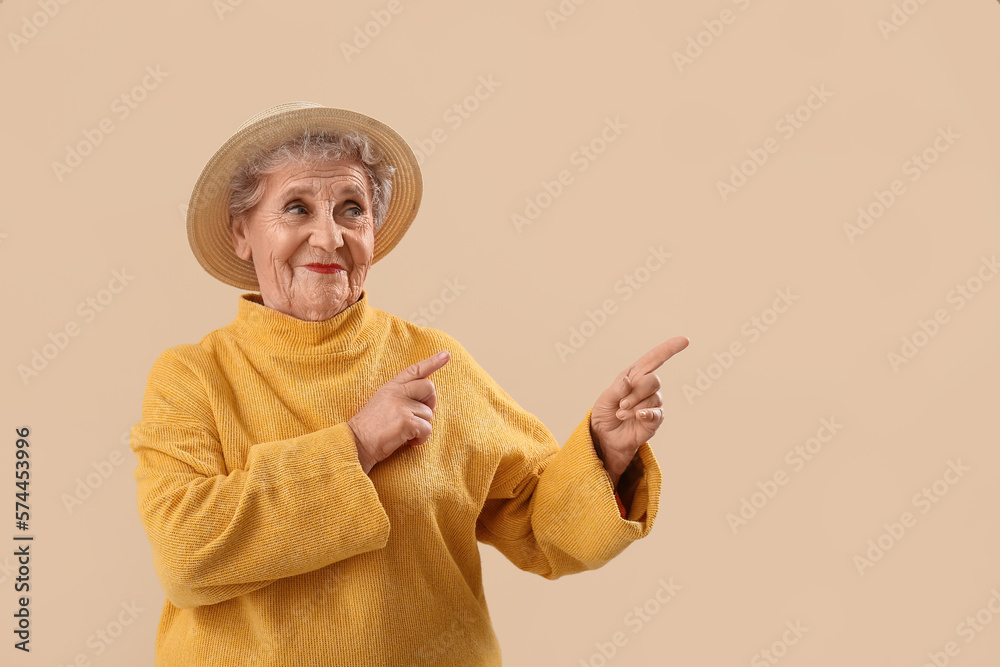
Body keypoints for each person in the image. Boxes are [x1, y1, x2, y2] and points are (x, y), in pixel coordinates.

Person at [130, 101, 689, 666]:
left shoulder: (433, 362)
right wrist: (358, 443)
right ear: (241, 234)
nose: (328, 238)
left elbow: (540, 530)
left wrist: (604, 453)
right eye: (296, 208)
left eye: (352, 210)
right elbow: (185, 555)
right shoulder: (191, 377)